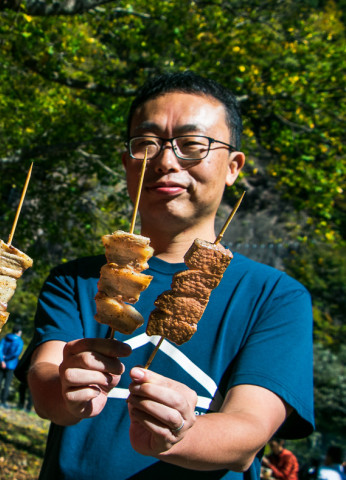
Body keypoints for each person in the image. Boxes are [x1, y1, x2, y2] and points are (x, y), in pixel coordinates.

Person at [17, 71, 314, 479]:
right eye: (147, 143)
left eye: (193, 145)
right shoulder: (77, 279)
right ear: (127, 163)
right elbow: (43, 381)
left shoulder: (275, 296)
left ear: (233, 166)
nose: (166, 160)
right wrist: (65, 390)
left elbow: (249, 431)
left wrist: (180, 436)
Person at [0, 324, 24, 408]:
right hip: (11, 365)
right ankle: (3, 401)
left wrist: (2, 360)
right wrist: (7, 359)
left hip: (2, 364)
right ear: (19, 332)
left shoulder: (5, 338)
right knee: (7, 384)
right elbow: (16, 353)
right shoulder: (19, 341)